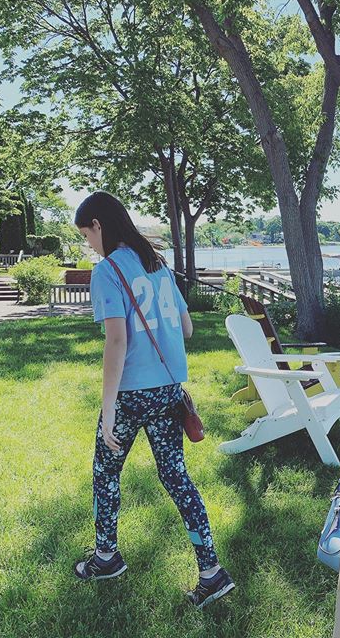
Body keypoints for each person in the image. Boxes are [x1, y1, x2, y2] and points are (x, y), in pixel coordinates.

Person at [73, 191, 233, 608]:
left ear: (99, 225)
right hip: (167, 390)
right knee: (176, 477)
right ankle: (211, 572)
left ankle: (106, 556)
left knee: (106, 473)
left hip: (130, 395)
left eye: (87, 234)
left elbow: (116, 341)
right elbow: (187, 329)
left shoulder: (107, 270)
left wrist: (108, 410)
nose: (89, 243)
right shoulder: (157, 264)